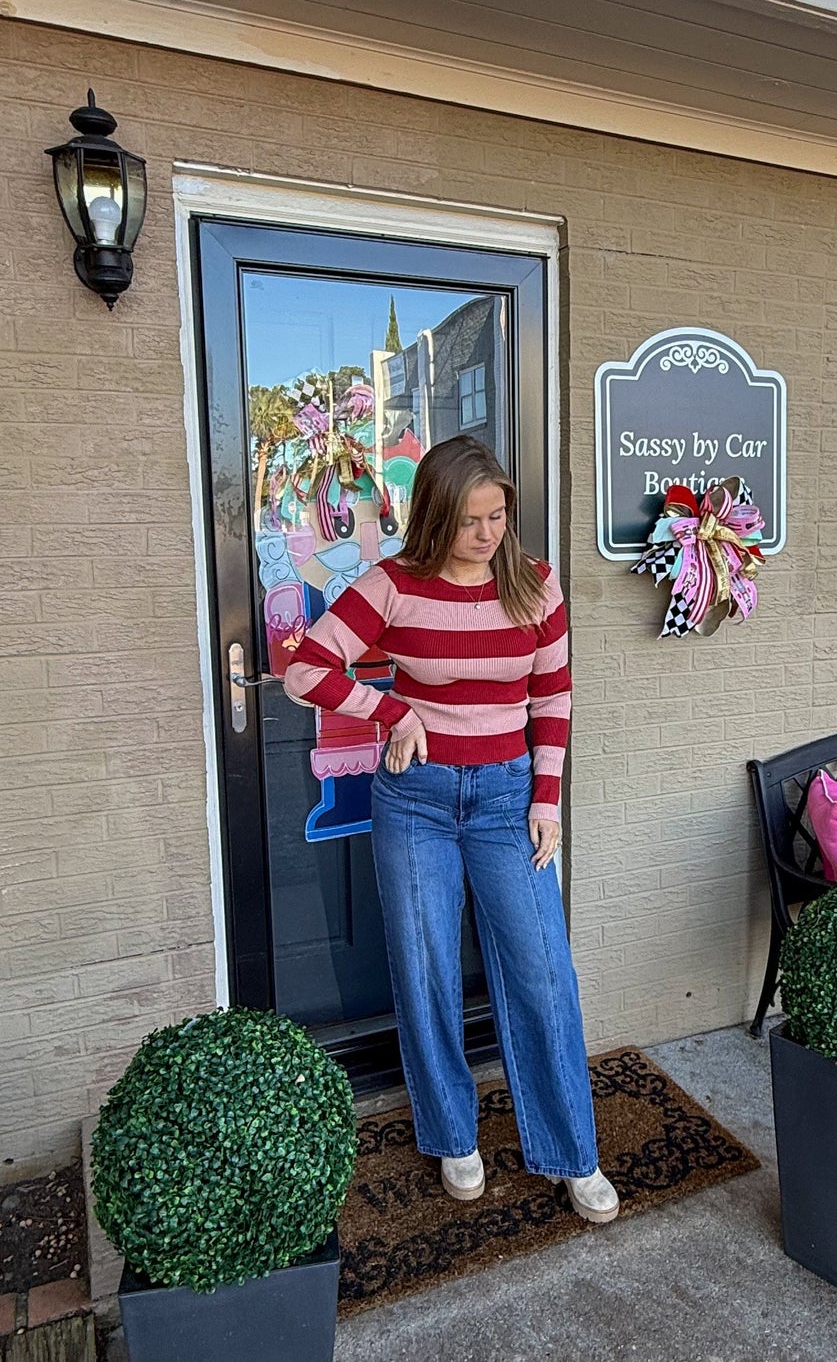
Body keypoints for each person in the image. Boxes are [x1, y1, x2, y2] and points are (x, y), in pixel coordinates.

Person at [283, 435, 619, 1224]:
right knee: (426, 969)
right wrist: (390, 707)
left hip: (508, 799)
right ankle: (451, 1133)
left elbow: (553, 698)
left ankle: (571, 1148)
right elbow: (305, 669)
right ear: (437, 516)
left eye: (497, 514)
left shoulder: (535, 585)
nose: (488, 533)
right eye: (470, 519)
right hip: (416, 801)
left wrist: (547, 799)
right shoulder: (392, 584)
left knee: (543, 973)